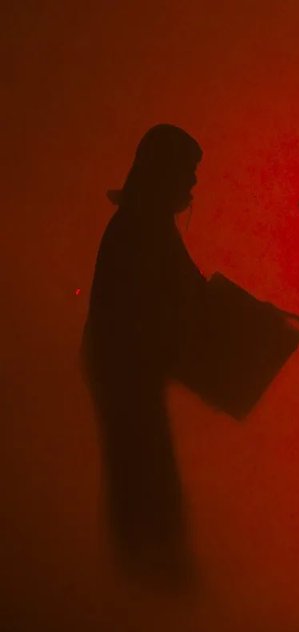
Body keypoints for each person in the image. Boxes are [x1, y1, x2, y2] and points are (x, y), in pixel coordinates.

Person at [82, 124, 205, 588]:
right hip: (126, 368)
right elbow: (170, 295)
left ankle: (151, 574)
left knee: (139, 464)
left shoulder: (142, 221)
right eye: (188, 173)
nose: (192, 185)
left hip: (127, 366)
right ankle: (154, 576)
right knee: (143, 466)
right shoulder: (143, 226)